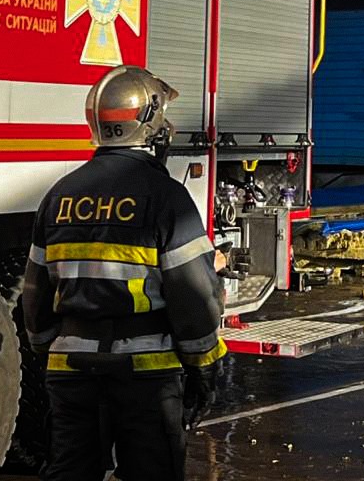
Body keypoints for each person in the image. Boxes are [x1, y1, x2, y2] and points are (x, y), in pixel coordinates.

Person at [21, 65, 225, 481]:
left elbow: (35, 291)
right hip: (145, 376)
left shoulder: (59, 196)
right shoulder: (166, 197)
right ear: (148, 123)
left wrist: (47, 351)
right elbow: (193, 295)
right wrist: (204, 366)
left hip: (71, 374)